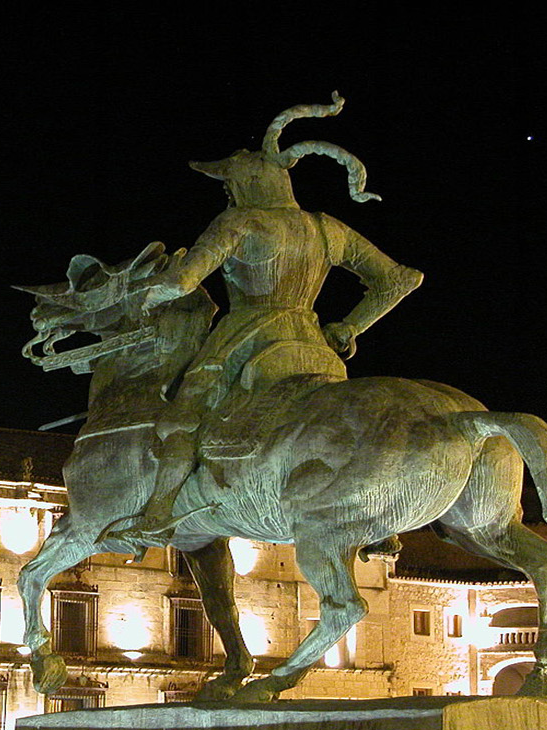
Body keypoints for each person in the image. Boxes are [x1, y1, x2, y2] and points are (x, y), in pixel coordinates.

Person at [106, 94, 423, 546]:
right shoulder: (326, 227)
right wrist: (351, 325)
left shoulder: (239, 221)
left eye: (228, 184)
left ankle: (157, 514)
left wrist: (138, 294)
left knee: (180, 419)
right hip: (313, 345)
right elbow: (400, 280)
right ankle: (374, 519)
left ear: (244, 182)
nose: (227, 192)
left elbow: (183, 281)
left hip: (245, 338)